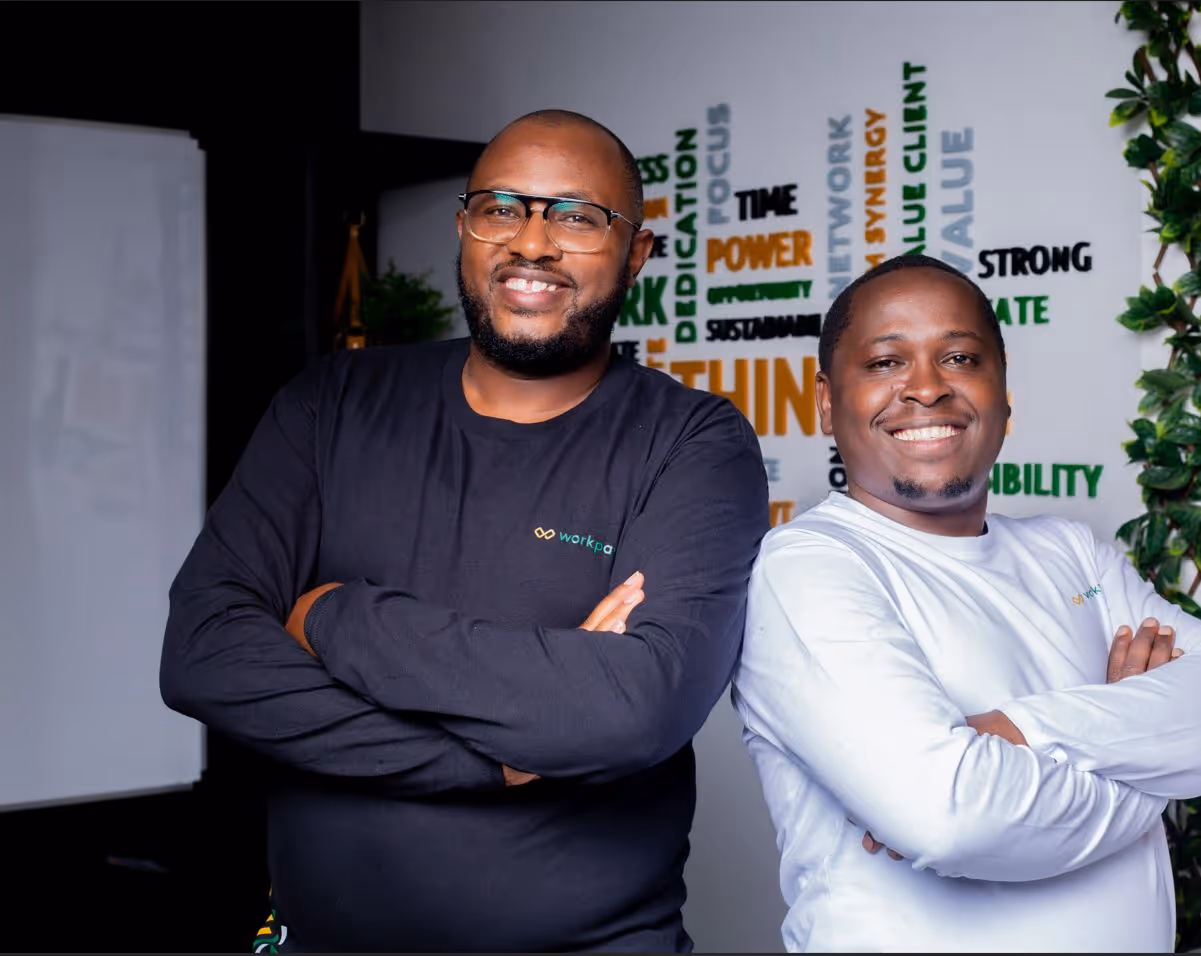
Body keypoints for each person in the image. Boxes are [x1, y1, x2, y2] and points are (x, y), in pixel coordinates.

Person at [161, 109, 770, 953]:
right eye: (501, 208)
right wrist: (492, 760)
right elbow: (204, 654)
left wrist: (332, 617)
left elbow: (634, 709)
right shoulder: (331, 402)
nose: (532, 242)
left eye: (576, 216)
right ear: (464, 227)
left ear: (636, 253)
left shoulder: (692, 442)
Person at [730, 253, 1201, 952]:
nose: (926, 389)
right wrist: (1156, 774)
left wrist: (1013, 732)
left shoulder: (1070, 551)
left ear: (1003, 391)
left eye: (958, 357)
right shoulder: (809, 567)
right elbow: (947, 814)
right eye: (885, 363)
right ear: (826, 403)